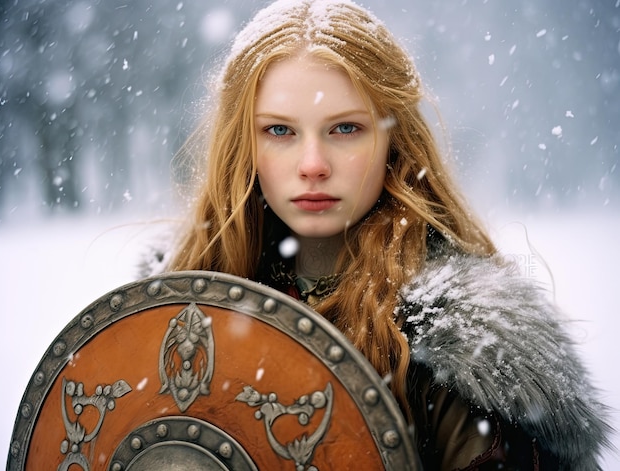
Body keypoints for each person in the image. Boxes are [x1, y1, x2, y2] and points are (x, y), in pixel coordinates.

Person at [147, 0, 612, 468]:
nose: (313, 165)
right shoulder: (180, 309)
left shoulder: (455, 345)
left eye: (345, 128)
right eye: (280, 131)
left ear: (393, 138)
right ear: (243, 143)